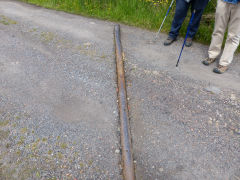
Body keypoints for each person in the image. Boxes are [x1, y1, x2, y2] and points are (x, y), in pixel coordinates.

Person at [202, 0, 240, 74]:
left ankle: (224, 63)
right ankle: (212, 55)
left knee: (233, 36)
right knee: (218, 30)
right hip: (223, 1)